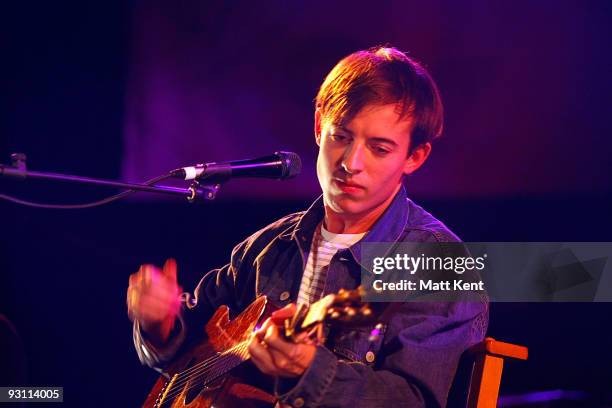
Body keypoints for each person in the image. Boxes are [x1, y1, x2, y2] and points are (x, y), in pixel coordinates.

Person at [127, 46, 488, 407]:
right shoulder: (266, 248)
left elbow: (409, 401)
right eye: (341, 137)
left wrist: (309, 370)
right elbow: (181, 360)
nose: (351, 162)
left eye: (379, 148)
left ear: (415, 156)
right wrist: (159, 324)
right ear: (318, 126)